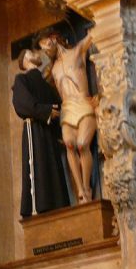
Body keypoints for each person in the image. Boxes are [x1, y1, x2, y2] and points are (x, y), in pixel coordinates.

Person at [41, 31, 98, 202]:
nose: (45, 51)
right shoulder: (53, 69)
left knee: (82, 144)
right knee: (70, 145)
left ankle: (87, 187)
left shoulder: (77, 52)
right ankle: (80, 190)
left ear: (53, 40)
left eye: (46, 45)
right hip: (67, 108)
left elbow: (92, 35)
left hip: (83, 102)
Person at [12, 48, 70, 217]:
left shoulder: (45, 84)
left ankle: (58, 206)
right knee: (38, 167)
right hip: (35, 130)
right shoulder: (21, 79)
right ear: (25, 60)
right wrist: (45, 111)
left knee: (54, 168)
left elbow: (57, 104)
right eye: (31, 52)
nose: (36, 54)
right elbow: (22, 104)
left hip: (49, 132)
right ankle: (39, 208)